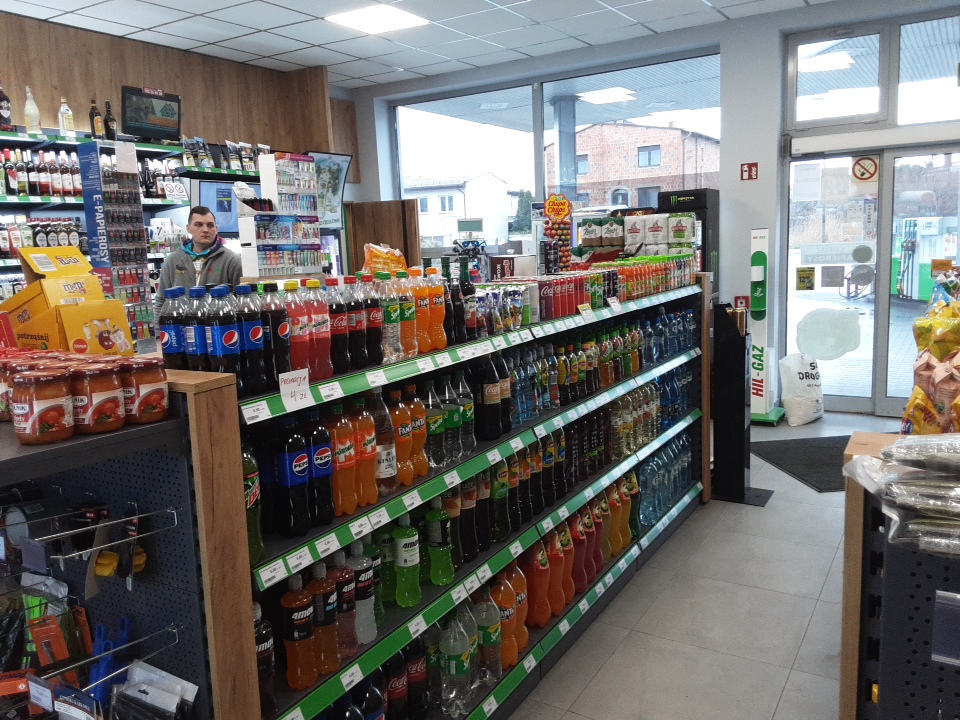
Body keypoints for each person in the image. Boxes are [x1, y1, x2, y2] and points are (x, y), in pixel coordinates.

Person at [154, 205, 243, 313]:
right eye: (198, 225)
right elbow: (161, 301)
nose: (205, 230)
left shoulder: (232, 261)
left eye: (210, 225)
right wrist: (159, 325)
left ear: (216, 229)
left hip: (219, 322)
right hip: (180, 323)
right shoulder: (172, 260)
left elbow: (242, 301)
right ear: (188, 228)